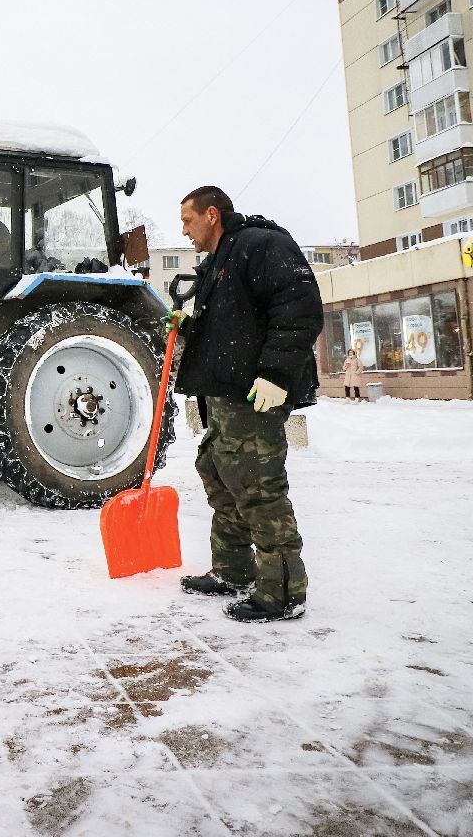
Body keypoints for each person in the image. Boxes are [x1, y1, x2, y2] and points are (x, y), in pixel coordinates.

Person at [168, 185, 323, 623]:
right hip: (225, 393)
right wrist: (188, 325)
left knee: (258, 487)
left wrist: (276, 374)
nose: (185, 231)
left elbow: (301, 307)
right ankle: (234, 571)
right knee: (222, 475)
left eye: (187, 221)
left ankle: (282, 592)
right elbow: (230, 327)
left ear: (211, 214)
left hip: (255, 393)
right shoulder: (218, 260)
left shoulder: (260, 244)